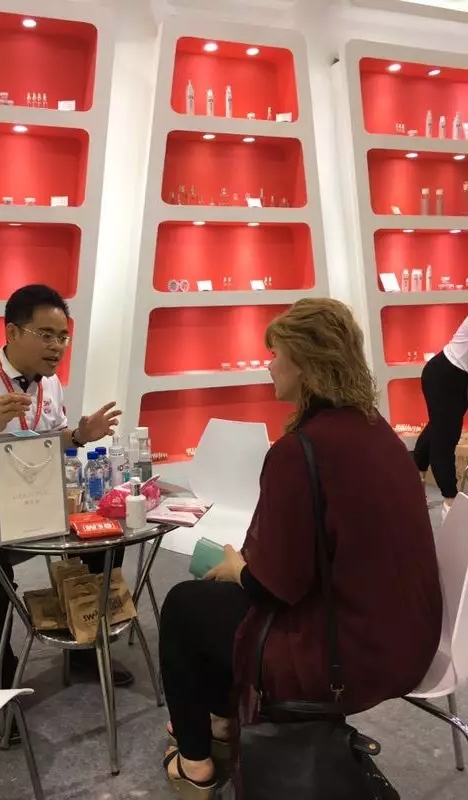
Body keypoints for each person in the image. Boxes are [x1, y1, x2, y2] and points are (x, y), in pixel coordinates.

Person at [159, 298, 442, 798]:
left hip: (344, 653)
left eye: (276, 354)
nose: (269, 365)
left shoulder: (300, 451)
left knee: (186, 605)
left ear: (306, 363)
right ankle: (221, 722)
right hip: (409, 636)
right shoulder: (377, 430)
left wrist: (237, 567)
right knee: (213, 604)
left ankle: (196, 760)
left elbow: (277, 585)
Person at [0, 285, 133, 729]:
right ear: (12, 332)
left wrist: (79, 435)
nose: (57, 346)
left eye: (63, 337)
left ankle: (84, 650)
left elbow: (47, 443)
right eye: (46, 335)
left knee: (104, 542)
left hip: (36, 509)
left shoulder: (51, 383)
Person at [414, 316, 468, 521]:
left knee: (437, 428)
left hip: (461, 377)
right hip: (445, 375)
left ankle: (415, 481)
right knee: (446, 436)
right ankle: (450, 501)